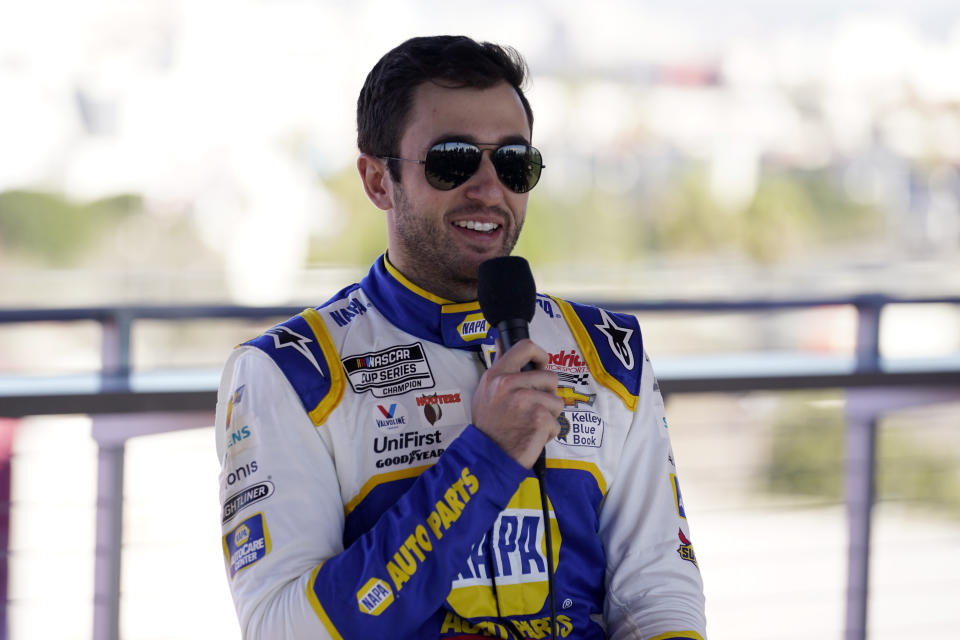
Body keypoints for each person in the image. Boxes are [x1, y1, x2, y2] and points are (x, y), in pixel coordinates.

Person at [215, 35, 706, 640]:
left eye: (513, 161)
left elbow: (659, 588)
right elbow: (283, 628)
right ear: (377, 180)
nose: (488, 187)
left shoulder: (612, 353)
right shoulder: (289, 373)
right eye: (451, 160)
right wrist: (486, 460)